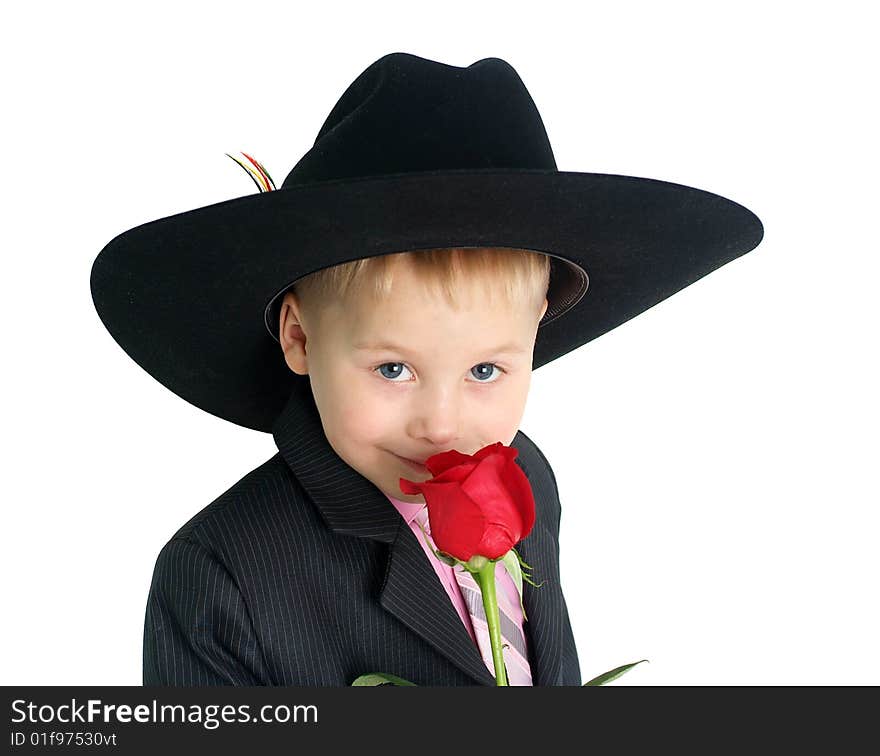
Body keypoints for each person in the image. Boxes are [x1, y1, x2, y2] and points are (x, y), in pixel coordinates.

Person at [90, 52, 763, 686]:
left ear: (534, 335)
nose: (443, 424)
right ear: (298, 336)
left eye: (485, 371)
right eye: (391, 369)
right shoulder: (220, 571)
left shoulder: (522, 477)